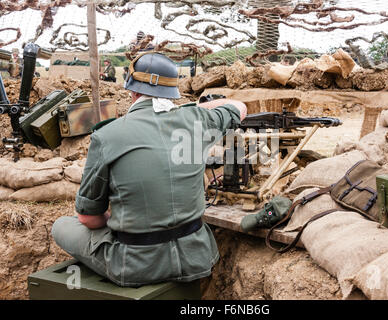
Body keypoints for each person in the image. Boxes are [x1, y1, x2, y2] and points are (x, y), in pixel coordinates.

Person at [51, 52, 247, 287]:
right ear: (173, 91)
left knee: (62, 225)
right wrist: (196, 108)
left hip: (135, 266)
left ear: (132, 91)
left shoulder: (107, 135)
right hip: (198, 257)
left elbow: (88, 218)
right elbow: (238, 107)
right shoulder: (198, 120)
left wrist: (117, 220)